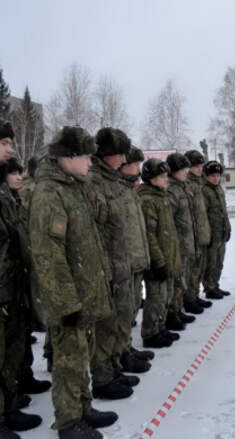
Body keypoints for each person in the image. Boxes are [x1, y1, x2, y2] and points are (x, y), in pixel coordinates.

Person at [29, 126, 117, 439]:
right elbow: (48, 256)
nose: (91, 162)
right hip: (67, 301)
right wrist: (67, 304)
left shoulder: (73, 188)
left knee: (81, 356)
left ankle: (83, 409)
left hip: (83, 295)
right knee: (68, 362)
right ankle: (69, 423)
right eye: (86, 156)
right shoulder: (50, 194)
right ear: (69, 157)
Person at [87, 128, 138, 402]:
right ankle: (103, 378)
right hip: (106, 268)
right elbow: (95, 231)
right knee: (105, 328)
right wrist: (103, 269)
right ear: (106, 155)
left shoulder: (113, 181)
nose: (124, 158)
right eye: (119, 153)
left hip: (120, 265)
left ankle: (115, 369)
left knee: (119, 321)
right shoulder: (94, 182)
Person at [0, 126, 43, 438]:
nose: (10, 148)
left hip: (11, 286)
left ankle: (8, 402)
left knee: (12, 348)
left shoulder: (8, 196)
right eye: (3, 143)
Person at [138, 158, 181, 349]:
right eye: (162, 176)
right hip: (158, 259)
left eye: (166, 176)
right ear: (151, 178)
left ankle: (160, 327)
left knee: (165, 295)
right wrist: (158, 261)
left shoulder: (161, 197)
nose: (166, 180)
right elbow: (150, 235)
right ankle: (150, 332)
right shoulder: (147, 200)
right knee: (155, 297)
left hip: (168, 255)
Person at [118, 147, 155, 365]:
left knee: (130, 308)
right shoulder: (117, 190)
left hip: (134, 259)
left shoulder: (130, 190)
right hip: (123, 262)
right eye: (134, 165)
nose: (138, 169)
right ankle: (120, 354)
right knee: (121, 313)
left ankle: (126, 348)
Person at [164, 153, 199, 330]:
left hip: (186, 242)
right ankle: (171, 313)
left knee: (183, 279)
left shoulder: (182, 187)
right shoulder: (171, 190)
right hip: (177, 243)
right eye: (183, 169)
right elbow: (168, 220)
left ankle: (178, 310)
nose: (187, 172)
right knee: (177, 281)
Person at [183, 150, 212, 313]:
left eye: (201, 166)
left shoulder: (201, 182)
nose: (200, 169)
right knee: (192, 270)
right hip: (192, 234)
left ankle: (195, 295)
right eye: (196, 166)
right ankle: (189, 298)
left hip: (202, 232)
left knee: (199, 268)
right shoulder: (187, 184)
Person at [202, 161, 231, 300]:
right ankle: (209, 287)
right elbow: (203, 215)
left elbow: (223, 211)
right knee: (211, 262)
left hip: (221, 232)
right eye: (212, 175)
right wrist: (207, 234)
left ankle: (216, 284)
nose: (215, 178)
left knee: (219, 262)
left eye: (218, 175)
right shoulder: (204, 191)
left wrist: (228, 228)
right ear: (207, 176)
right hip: (212, 234)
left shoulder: (219, 189)